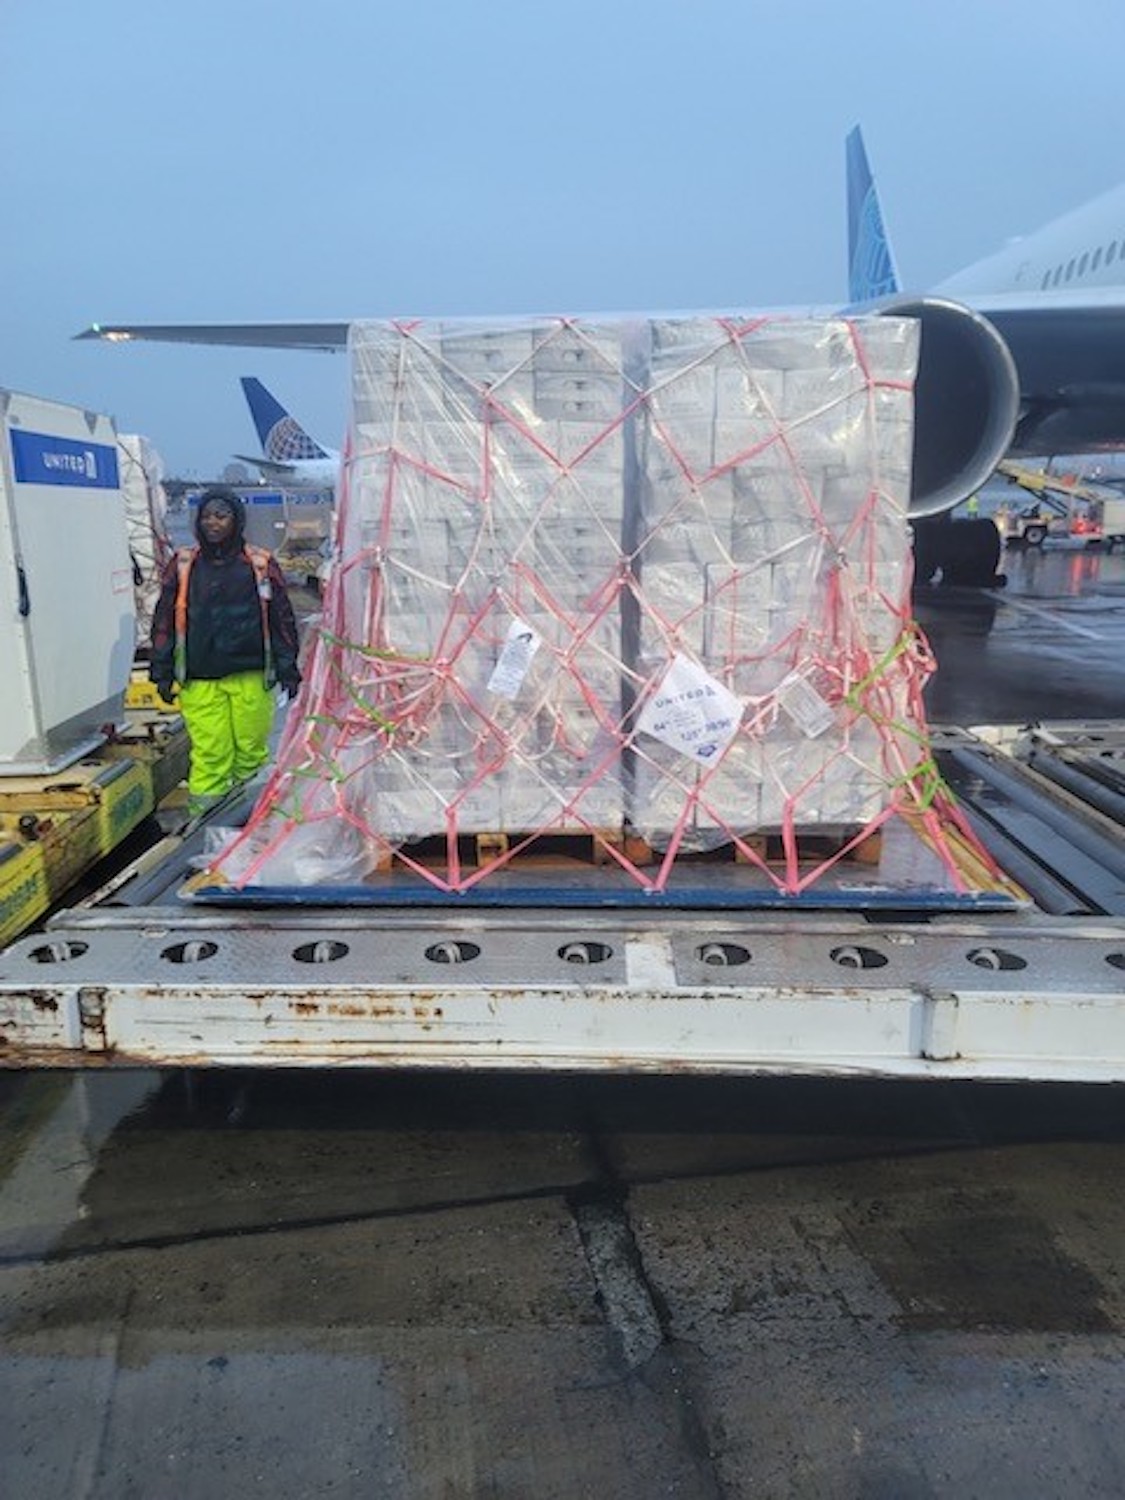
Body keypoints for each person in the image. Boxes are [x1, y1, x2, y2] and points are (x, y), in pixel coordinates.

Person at [149, 486, 302, 818]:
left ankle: (252, 823)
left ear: (237, 520)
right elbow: (164, 619)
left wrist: (289, 667)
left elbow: (281, 619)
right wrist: (160, 670)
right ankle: (207, 827)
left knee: (251, 754)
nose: (212, 523)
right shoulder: (184, 565)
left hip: (250, 677)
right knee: (210, 756)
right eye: (206, 517)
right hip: (200, 680)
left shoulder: (259, 564)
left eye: (221, 516)